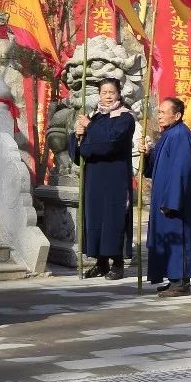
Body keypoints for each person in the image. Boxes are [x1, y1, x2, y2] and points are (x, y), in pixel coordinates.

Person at [70, 78, 135, 280]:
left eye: (112, 92)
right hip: (94, 176)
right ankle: (100, 262)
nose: (108, 96)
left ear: (119, 94)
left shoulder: (125, 118)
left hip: (115, 175)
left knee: (113, 218)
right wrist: (77, 135)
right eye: (104, 92)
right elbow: (83, 151)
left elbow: (111, 142)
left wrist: (90, 128)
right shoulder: (94, 117)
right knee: (95, 217)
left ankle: (117, 262)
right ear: (99, 95)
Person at [142, 96, 191, 297]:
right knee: (167, 239)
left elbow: (181, 170)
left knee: (177, 239)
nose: (159, 116)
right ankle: (173, 279)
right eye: (159, 112)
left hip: (174, 201)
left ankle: (180, 282)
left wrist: (172, 201)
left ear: (177, 115)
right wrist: (147, 154)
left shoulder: (180, 135)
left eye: (163, 112)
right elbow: (155, 169)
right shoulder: (169, 134)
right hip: (164, 198)